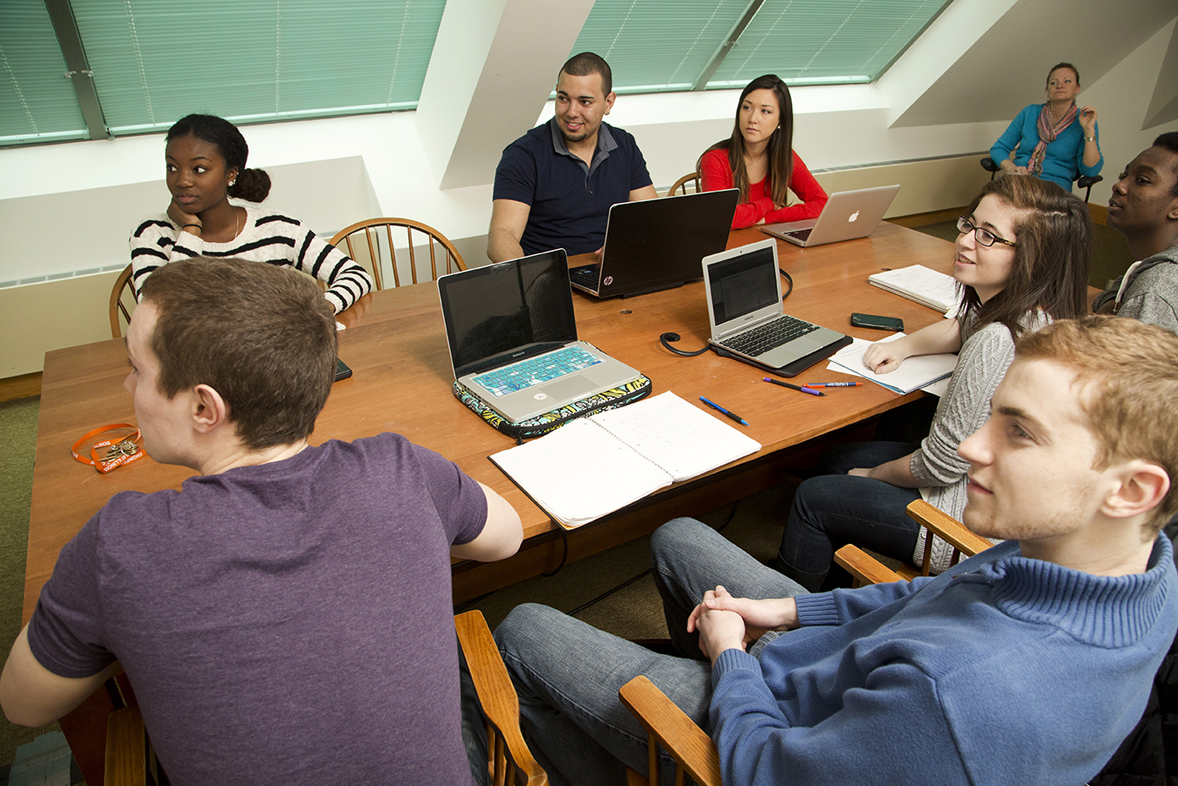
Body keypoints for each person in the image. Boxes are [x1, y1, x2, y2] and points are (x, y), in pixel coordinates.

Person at [482, 315, 1178, 786]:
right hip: (818, 674)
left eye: (1020, 432)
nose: (971, 447)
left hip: (777, 732)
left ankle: (639, 737)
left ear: (1131, 490)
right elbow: (919, 595)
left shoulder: (961, 697)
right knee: (678, 537)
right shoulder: (1128, 568)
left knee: (523, 628)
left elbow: (767, 771)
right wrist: (781, 611)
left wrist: (729, 658)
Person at [0, 259, 522, 785]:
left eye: (138, 368)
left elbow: (22, 705)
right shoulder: (403, 469)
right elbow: (508, 537)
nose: (125, 384)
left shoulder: (122, 546)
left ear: (205, 408)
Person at [773, 175, 1090, 589]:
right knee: (837, 459)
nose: (966, 241)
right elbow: (964, 325)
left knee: (813, 497)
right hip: (992, 492)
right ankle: (829, 577)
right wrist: (904, 345)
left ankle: (793, 618)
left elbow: (940, 465)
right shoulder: (1039, 312)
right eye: (970, 225)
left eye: (989, 237)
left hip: (964, 524)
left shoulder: (998, 342)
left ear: (1034, 257)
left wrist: (871, 476)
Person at [129, 114, 373, 315]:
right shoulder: (151, 233)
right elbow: (157, 314)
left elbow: (356, 275)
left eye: (199, 169)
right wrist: (191, 231)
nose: (182, 180)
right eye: (172, 167)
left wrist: (313, 314)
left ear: (230, 173)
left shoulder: (276, 227)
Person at [488, 52, 658, 263]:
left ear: (608, 103)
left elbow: (651, 217)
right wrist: (532, 281)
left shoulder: (624, 144)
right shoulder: (523, 154)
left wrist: (626, 244)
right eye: (563, 98)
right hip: (547, 277)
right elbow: (501, 237)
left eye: (585, 102)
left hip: (611, 270)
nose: (571, 112)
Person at [698, 74, 828, 229]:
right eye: (747, 107)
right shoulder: (715, 160)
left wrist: (771, 217)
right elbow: (722, 218)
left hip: (770, 244)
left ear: (780, 120)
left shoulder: (786, 158)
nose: (753, 118)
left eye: (765, 111)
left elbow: (822, 204)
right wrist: (768, 204)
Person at [1091, 132, 1178, 334]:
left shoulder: (1155, 290)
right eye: (1124, 176)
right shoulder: (1156, 269)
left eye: (1142, 180)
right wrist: (1113, 299)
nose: (1119, 186)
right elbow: (1128, 279)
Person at [990, 62, 1103, 193]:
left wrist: (1089, 130)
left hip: (1054, 189)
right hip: (1019, 181)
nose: (1060, 86)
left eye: (1067, 81)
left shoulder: (1084, 120)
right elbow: (999, 148)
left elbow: (1090, 170)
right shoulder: (1030, 112)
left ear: (1077, 88)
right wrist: (1011, 168)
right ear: (1047, 89)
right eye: (1053, 83)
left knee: (1030, 211)